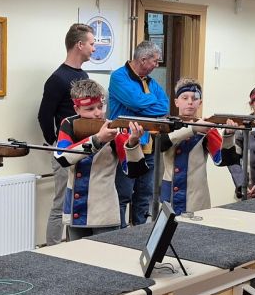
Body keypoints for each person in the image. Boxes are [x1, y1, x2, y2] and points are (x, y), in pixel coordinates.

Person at [55, 80, 146, 239]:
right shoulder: (69, 124)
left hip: (104, 213)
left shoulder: (114, 128)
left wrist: (132, 143)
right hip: (76, 210)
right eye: (90, 109)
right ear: (77, 109)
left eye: (100, 107)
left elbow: (134, 170)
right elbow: (62, 157)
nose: (98, 113)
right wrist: (97, 139)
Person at [37, 23, 94, 246]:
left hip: (84, 150)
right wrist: (55, 144)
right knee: (61, 203)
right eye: (91, 44)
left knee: (77, 203)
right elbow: (44, 116)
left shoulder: (84, 75)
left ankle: (75, 247)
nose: (93, 48)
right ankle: (53, 250)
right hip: (65, 150)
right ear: (79, 45)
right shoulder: (57, 79)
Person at [108, 40, 169, 225]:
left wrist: (141, 104)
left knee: (144, 195)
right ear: (143, 60)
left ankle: (140, 235)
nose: (157, 65)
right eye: (155, 61)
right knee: (123, 195)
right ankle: (118, 236)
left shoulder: (150, 81)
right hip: (125, 146)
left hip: (147, 146)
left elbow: (164, 106)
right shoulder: (119, 76)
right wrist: (146, 102)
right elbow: (136, 103)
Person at [159, 78, 238, 214]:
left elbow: (222, 160)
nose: (190, 102)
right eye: (185, 98)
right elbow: (160, 144)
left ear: (200, 103)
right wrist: (193, 129)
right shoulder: (166, 125)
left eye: (194, 98)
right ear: (176, 102)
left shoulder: (208, 128)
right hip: (170, 198)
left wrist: (229, 136)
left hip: (195, 201)